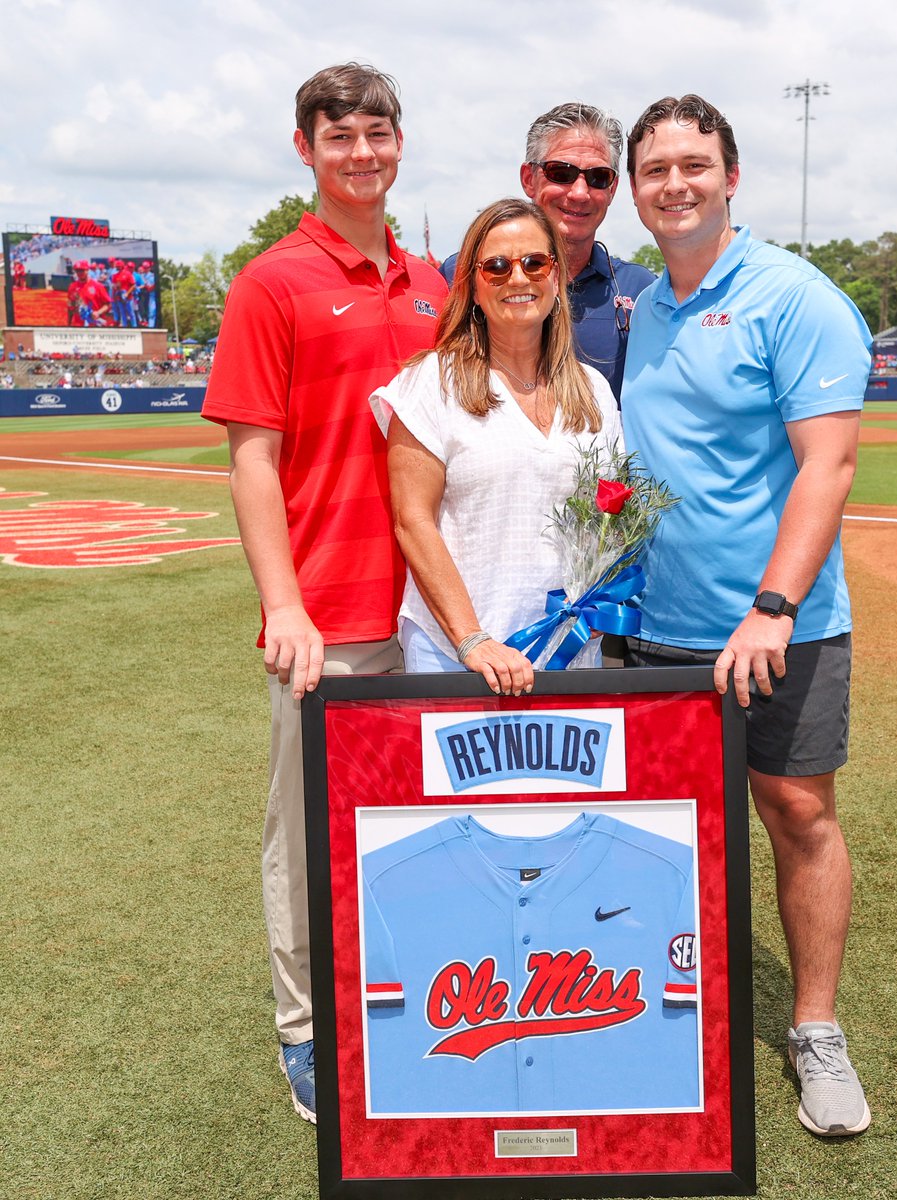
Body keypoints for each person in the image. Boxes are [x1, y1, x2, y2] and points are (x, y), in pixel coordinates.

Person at [620, 95, 873, 1139]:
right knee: (655, 830)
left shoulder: (791, 294)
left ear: (730, 176)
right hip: (649, 623)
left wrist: (770, 604)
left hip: (779, 626)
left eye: (692, 163)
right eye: (654, 169)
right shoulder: (644, 303)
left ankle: (813, 1029)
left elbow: (829, 461)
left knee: (795, 812)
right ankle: (666, 1009)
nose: (672, 183)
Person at [201, 62, 447, 1126]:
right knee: (305, 835)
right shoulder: (272, 282)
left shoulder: (436, 281)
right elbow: (254, 460)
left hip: (433, 614)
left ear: (399, 143)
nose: (361, 152)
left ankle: (417, 998)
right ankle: (306, 1031)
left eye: (376, 133)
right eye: (337, 136)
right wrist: (284, 605)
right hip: (331, 614)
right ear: (305, 149)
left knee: (428, 826)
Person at [375, 198, 620, 693]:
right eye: (496, 267)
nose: (518, 279)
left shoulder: (593, 389)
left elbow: (611, 514)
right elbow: (412, 521)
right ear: (471, 287)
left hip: (569, 654)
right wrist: (472, 640)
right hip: (457, 659)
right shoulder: (431, 382)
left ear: (556, 276)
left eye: (535, 262)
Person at [442, 103, 654, 404]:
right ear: (529, 178)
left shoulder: (642, 290)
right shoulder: (461, 274)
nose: (579, 193)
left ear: (613, 189)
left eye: (598, 177)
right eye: (561, 172)